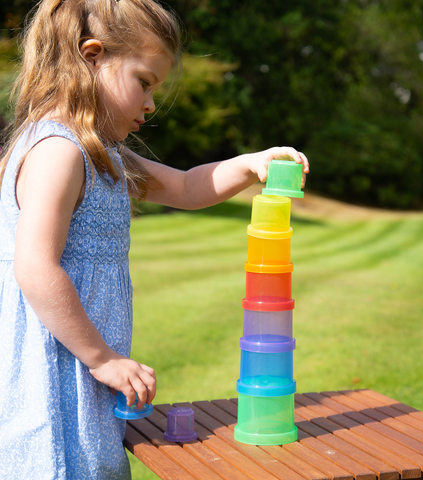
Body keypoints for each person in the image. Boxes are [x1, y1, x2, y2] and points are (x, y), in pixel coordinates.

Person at [0, 0, 309, 478]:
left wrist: (249, 164)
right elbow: (35, 267)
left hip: (79, 364)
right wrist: (102, 358)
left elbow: (185, 187)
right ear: (92, 57)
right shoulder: (58, 151)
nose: (150, 104)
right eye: (144, 82)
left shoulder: (103, 153)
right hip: (51, 371)